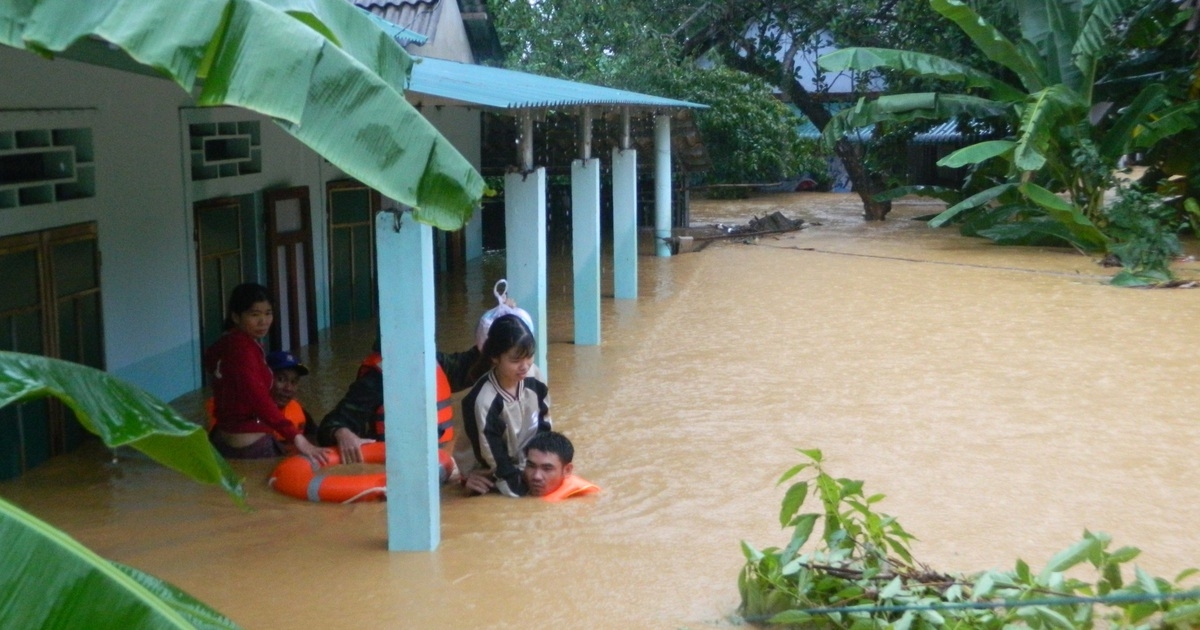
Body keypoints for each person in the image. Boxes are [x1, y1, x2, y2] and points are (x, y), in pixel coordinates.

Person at [204, 283, 326, 462]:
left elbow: (210, 362)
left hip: (221, 440)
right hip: (251, 446)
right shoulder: (243, 349)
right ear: (236, 317)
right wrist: (296, 437)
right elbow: (258, 398)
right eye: (255, 314)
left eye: (268, 313)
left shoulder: (226, 344)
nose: (263, 321)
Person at [315, 340, 480, 466]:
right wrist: (342, 432)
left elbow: (472, 366)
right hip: (393, 467)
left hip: (440, 461)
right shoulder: (376, 380)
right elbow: (331, 424)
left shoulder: (435, 361)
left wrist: (497, 321)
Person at [459, 313, 551, 497]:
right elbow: (497, 462)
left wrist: (543, 467)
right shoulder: (485, 401)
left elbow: (545, 424)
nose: (525, 366)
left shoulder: (535, 377)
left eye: (529, 357)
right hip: (489, 471)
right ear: (495, 357)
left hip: (523, 463)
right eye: (515, 361)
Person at [204, 349, 315, 444]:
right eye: (281, 379)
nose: (288, 388)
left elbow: (317, 437)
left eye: (294, 382)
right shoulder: (237, 412)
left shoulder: (299, 412)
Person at [463, 431, 599, 501]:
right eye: (531, 466)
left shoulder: (582, 499)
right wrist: (467, 492)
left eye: (547, 468)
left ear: (567, 470)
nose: (536, 476)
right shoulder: (510, 483)